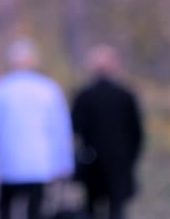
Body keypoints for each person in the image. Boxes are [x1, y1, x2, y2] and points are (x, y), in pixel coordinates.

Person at [0, 39, 74, 219]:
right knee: (36, 211)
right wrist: (64, 164)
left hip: (8, 164)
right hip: (40, 165)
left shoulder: (0, 89)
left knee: (6, 210)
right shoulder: (49, 89)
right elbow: (61, 130)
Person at [72, 45, 144, 219]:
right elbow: (137, 133)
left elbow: (76, 128)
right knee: (117, 208)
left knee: (91, 208)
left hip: (92, 161)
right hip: (119, 162)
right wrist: (130, 158)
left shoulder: (84, 95)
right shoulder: (126, 95)